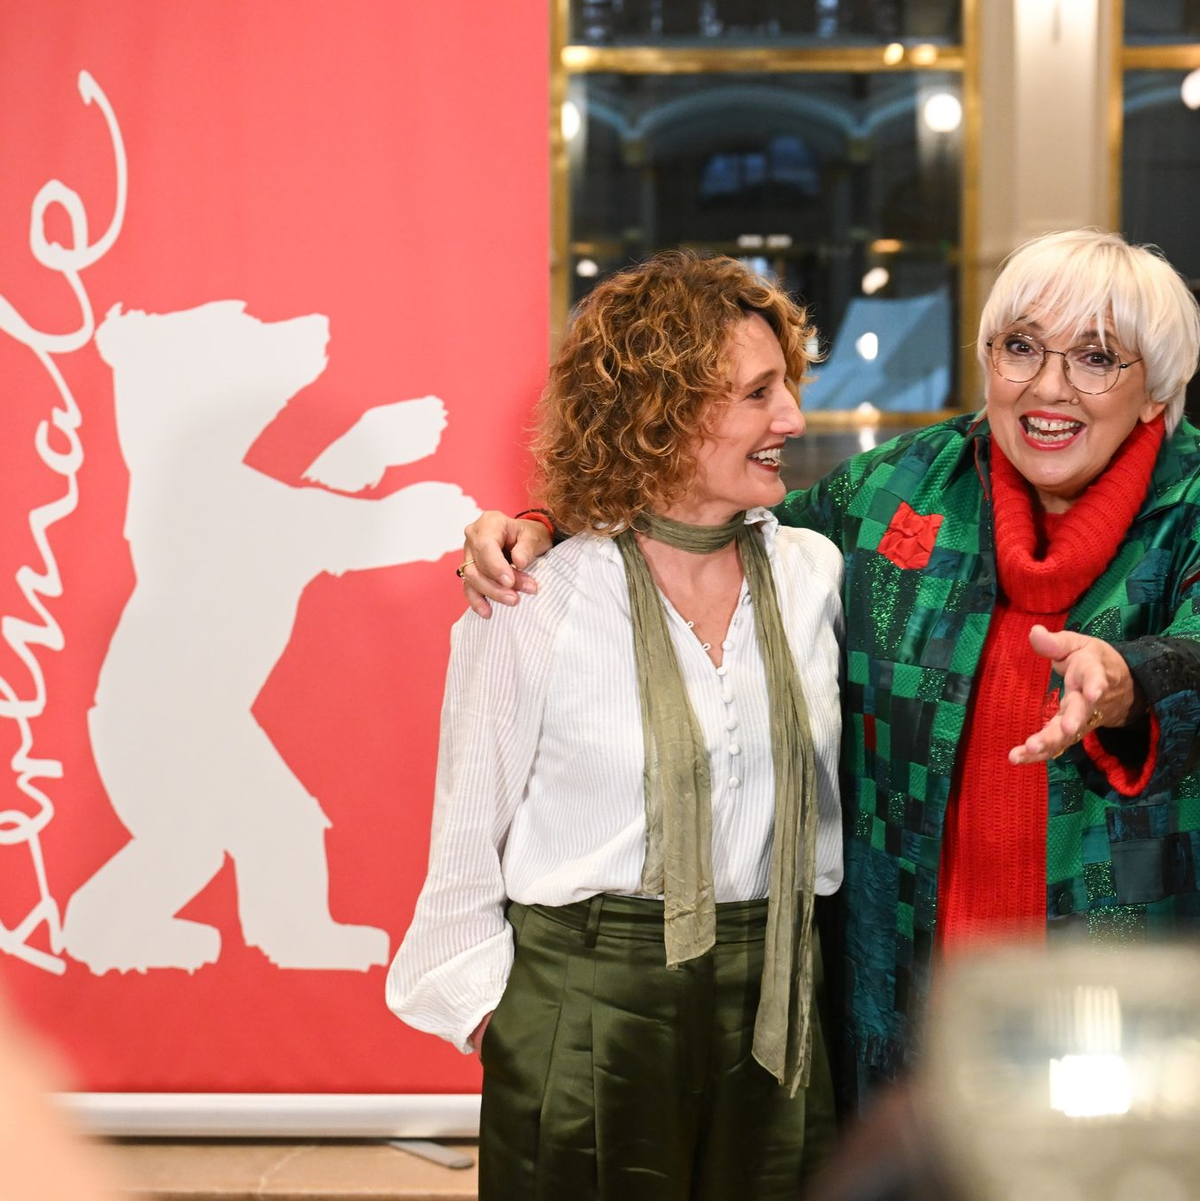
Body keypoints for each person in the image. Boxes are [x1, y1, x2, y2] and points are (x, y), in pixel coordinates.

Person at [460, 228, 1200, 1104]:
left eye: (1097, 358)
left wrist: (1132, 680)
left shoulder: (1187, 505)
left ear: (1154, 391)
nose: (1049, 386)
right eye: (1021, 347)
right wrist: (552, 525)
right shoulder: (905, 486)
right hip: (903, 990)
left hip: (1114, 996)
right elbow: (709, 519)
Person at [387, 251, 845, 1198]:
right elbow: (464, 844)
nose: (792, 421)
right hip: (589, 1000)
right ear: (663, 414)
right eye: (758, 394)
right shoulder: (535, 598)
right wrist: (519, 1027)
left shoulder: (816, 576)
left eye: (787, 388)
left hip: (780, 999)